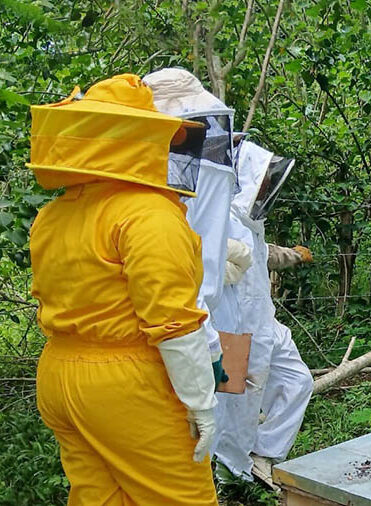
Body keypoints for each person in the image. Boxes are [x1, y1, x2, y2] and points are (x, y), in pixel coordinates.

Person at [27, 74, 219, 504]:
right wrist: (201, 401)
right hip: (126, 385)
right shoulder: (149, 215)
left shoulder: (54, 214)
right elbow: (172, 322)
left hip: (59, 375)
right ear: (141, 142)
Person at [213, 139, 314, 486]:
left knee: (298, 381)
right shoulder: (220, 218)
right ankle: (230, 474)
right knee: (236, 402)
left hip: (265, 322)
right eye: (263, 178)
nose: (267, 186)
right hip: (234, 326)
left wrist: (293, 255)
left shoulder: (250, 219)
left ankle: (262, 454)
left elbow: (261, 253)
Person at [144, 67, 238, 385]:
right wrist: (209, 347)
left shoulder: (203, 176)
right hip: (183, 331)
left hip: (207, 319)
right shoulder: (150, 200)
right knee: (207, 407)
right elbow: (172, 277)